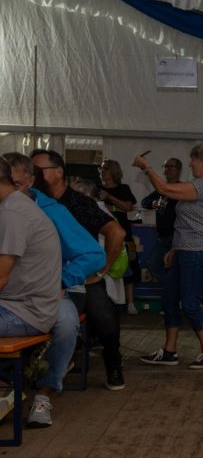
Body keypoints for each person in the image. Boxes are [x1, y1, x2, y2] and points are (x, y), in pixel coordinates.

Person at [5, 152, 104, 428]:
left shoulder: (52, 212)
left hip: (50, 293)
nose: (9, 191)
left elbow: (93, 255)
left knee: (66, 323)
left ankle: (43, 394)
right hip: (10, 293)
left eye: (16, 184)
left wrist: (58, 280)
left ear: (30, 181)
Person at [31, 149, 128, 391]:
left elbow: (116, 232)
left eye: (38, 170)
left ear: (59, 172)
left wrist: (102, 270)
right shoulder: (31, 202)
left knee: (104, 316)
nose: (34, 175)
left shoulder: (79, 203)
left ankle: (113, 365)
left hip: (80, 276)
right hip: (44, 278)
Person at [134, 145, 203, 370]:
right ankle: (169, 351)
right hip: (186, 249)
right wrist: (175, 249)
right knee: (170, 299)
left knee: (190, 303)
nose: (190, 164)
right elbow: (188, 223)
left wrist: (146, 168)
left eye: (193, 160)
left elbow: (164, 188)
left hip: (199, 252)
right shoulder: (200, 184)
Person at [98, 160, 142, 314]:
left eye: (105, 169)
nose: (102, 172)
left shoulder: (123, 189)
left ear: (113, 171)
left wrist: (109, 198)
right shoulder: (97, 189)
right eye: (101, 169)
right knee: (107, 267)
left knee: (128, 267)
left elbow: (128, 207)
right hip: (104, 235)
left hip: (124, 233)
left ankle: (130, 303)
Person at [141, 158, 181, 284]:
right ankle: (171, 287)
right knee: (153, 265)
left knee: (176, 267)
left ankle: (173, 288)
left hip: (177, 236)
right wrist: (153, 203)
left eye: (171, 167)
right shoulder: (160, 190)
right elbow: (144, 202)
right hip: (162, 236)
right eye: (166, 166)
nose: (168, 169)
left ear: (179, 170)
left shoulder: (182, 188)